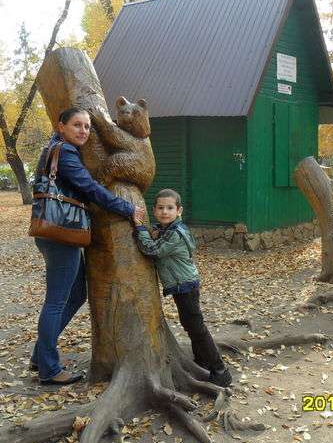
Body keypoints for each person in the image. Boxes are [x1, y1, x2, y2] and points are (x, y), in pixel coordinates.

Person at [31, 106, 143, 385]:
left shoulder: (52, 149)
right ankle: (49, 369)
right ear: (61, 127)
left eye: (87, 127)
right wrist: (125, 208)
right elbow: (89, 188)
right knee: (56, 300)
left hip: (53, 232)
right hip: (61, 235)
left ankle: (41, 354)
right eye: (77, 125)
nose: (83, 131)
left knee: (77, 292)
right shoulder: (66, 152)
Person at [132, 189, 232, 387]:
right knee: (191, 325)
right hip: (183, 285)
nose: (164, 212)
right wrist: (150, 229)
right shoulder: (168, 229)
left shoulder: (176, 233)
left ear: (179, 211)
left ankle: (220, 371)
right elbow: (159, 237)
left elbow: (153, 250)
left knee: (197, 328)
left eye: (170, 208)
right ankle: (201, 361)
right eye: (160, 208)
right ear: (154, 210)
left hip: (185, 287)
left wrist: (140, 229)